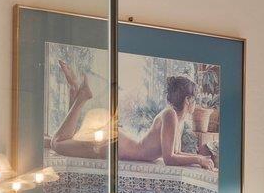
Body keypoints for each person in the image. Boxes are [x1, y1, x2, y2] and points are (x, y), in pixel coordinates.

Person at [47, 60, 217, 169]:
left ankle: (75, 91)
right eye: (195, 99)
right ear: (187, 100)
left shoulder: (176, 119)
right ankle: (81, 96)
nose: (197, 103)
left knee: (63, 141)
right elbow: (169, 158)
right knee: (58, 144)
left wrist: (199, 158)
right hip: (115, 146)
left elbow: (176, 153)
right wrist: (199, 160)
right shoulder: (170, 115)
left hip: (119, 144)